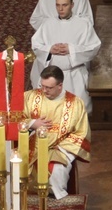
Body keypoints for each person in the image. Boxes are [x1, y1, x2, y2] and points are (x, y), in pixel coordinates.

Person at [24, 65, 90, 199]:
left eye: (49, 87)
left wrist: (59, 148)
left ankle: (57, 202)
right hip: (32, 145)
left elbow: (81, 133)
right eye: (42, 86)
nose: (44, 90)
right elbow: (14, 118)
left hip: (61, 148)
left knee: (57, 170)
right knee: (15, 165)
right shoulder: (30, 97)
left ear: (60, 85)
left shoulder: (75, 103)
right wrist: (32, 123)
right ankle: (26, 199)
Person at [31, 0, 101, 113]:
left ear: (72, 5)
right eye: (58, 5)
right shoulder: (48, 24)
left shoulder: (83, 24)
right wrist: (49, 49)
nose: (61, 9)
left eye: (64, 5)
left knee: (76, 113)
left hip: (74, 76)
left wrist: (71, 49)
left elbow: (94, 47)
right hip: (52, 78)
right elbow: (36, 45)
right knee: (50, 113)